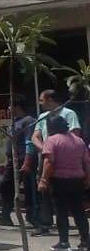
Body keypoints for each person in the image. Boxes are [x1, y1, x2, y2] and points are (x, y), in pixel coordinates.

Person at [26, 89, 81, 237]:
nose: (40, 103)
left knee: (65, 199)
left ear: (50, 99)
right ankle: (44, 224)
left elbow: (75, 135)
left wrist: (57, 148)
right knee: (44, 192)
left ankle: (72, 230)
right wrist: (46, 149)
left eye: (42, 100)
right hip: (45, 159)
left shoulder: (69, 114)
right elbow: (35, 137)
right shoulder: (43, 117)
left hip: (64, 162)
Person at [37, 115, 90, 251]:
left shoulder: (52, 140)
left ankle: (64, 242)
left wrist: (43, 180)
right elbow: (87, 162)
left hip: (59, 181)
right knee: (79, 211)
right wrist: (88, 178)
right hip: (77, 180)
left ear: (52, 127)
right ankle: (85, 242)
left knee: (61, 212)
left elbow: (49, 162)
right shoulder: (79, 141)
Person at [0, 97, 37, 227]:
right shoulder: (14, 122)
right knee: (5, 185)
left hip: (24, 159)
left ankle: (32, 218)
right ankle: (5, 215)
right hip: (13, 161)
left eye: (10, 106)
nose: (8, 109)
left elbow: (30, 142)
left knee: (29, 189)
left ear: (18, 107)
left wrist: (27, 162)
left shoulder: (29, 121)